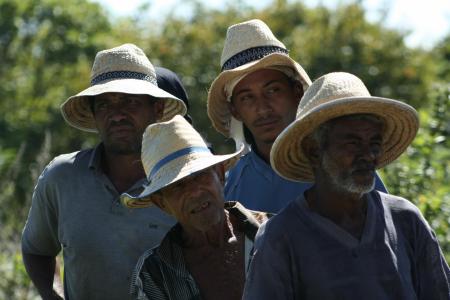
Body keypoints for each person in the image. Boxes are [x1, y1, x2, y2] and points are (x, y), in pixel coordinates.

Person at [243, 72, 450, 299]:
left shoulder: (405, 219)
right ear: (314, 150)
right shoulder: (281, 237)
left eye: (374, 143)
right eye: (352, 143)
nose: (367, 155)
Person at [21, 44, 187, 300]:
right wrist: (52, 295)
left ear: (158, 110)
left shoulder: (185, 180)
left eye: (130, 101)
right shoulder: (62, 176)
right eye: (105, 104)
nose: (117, 115)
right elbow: (36, 249)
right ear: (94, 114)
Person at [207, 19, 387, 213]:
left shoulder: (341, 162)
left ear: (297, 92)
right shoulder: (232, 187)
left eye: (273, 90)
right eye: (247, 98)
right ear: (235, 110)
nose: (263, 108)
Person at [121, 115, 269, 300]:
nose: (195, 192)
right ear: (162, 203)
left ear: (220, 174)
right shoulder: (155, 272)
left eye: (200, 175)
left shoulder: (275, 233)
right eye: (178, 186)